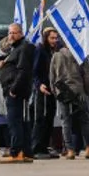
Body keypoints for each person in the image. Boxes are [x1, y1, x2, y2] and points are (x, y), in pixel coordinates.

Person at [51, 42, 89, 160]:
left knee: (65, 121)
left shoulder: (56, 55)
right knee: (85, 120)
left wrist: (55, 92)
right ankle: (88, 148)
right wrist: (86, 91)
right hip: (79, 90)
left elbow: (51, 76)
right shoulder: (81, 54)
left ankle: (70, 150)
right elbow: (87, 75)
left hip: (62, 91)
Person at [0, 23, 34, 163]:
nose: (11, 36)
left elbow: (23, 70)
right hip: (13, 90)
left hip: (16, 92)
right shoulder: (16, 48)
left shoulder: (24, 48)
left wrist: (14, 89)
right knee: (20, 122)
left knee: (15, 122)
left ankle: (17, 152)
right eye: (9, 33)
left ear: (20, 33)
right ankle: (26, 151)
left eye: (14, 33)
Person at [32, 27, 60, 159]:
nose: (54, 40)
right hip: (42, 88)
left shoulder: (54, 50)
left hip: (52, 88)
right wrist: (39, 85)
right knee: (41, 118)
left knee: (50, 118)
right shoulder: (40, 49)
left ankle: (44, 146)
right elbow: (35, 70)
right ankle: (37, 147)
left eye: (56, 38)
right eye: (52, 38)